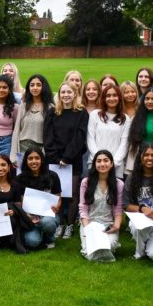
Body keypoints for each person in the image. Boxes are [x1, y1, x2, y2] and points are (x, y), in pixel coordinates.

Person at [44, 81, 88, 239]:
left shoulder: (81, 112)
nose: (66, 95)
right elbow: (48, 136)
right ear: (59, 94)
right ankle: (59, 223)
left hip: (72, 159)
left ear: (75, 94)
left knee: (73, 194)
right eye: (63, 92)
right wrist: (56, 157)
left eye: (69, 92)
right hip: (54, 159)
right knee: (57, 193)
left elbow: (80, 137)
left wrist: (67, 157)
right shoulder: (52, 112)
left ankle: (69, 225)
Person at [78, 150, 124, 262]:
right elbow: (83, 208)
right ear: (94, 164)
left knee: (110, 247)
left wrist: (116, 226)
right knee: (89, 252)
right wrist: (87, 228)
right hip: (89, 224)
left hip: (108, 225)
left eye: (106, 160)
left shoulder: (119, 184)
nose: (102, 164)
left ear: (112, 163)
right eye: (98, 161)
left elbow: (118, 209)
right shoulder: (86, 182)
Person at [17, 148, 61, 250]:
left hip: (48, 215)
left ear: (42, 160)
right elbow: (20, 202)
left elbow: (58, 198)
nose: (34, 161)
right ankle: (38, 235)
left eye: (37, 158)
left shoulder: (52, 176)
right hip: (29, 217)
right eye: (30, 158)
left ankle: (49, 238)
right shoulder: (20, 179)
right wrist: (28, 216)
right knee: (31, 242)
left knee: (47, 223)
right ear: (26, 161)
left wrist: (57, 206)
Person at [87, 85, 131, 179]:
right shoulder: (95, 115)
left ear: (119, 98)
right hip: (95, 164)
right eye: (108, 95)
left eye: (115, 95)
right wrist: (99, 160)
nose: (111, 98)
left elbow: (124, 143)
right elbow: (90, 139)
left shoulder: (125, 119)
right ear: (103, 98)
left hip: (115, 166)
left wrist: (112, 163)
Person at [11, 74, 52, 163]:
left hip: (41, 149)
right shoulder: (23, 106)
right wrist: (14, 156)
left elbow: (51, 134)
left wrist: (45, 151)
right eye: (32, 85)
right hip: (23, 147)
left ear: (44, 87)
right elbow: (17, 130)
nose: (35, 88)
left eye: (38, 85)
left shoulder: (50, 108)